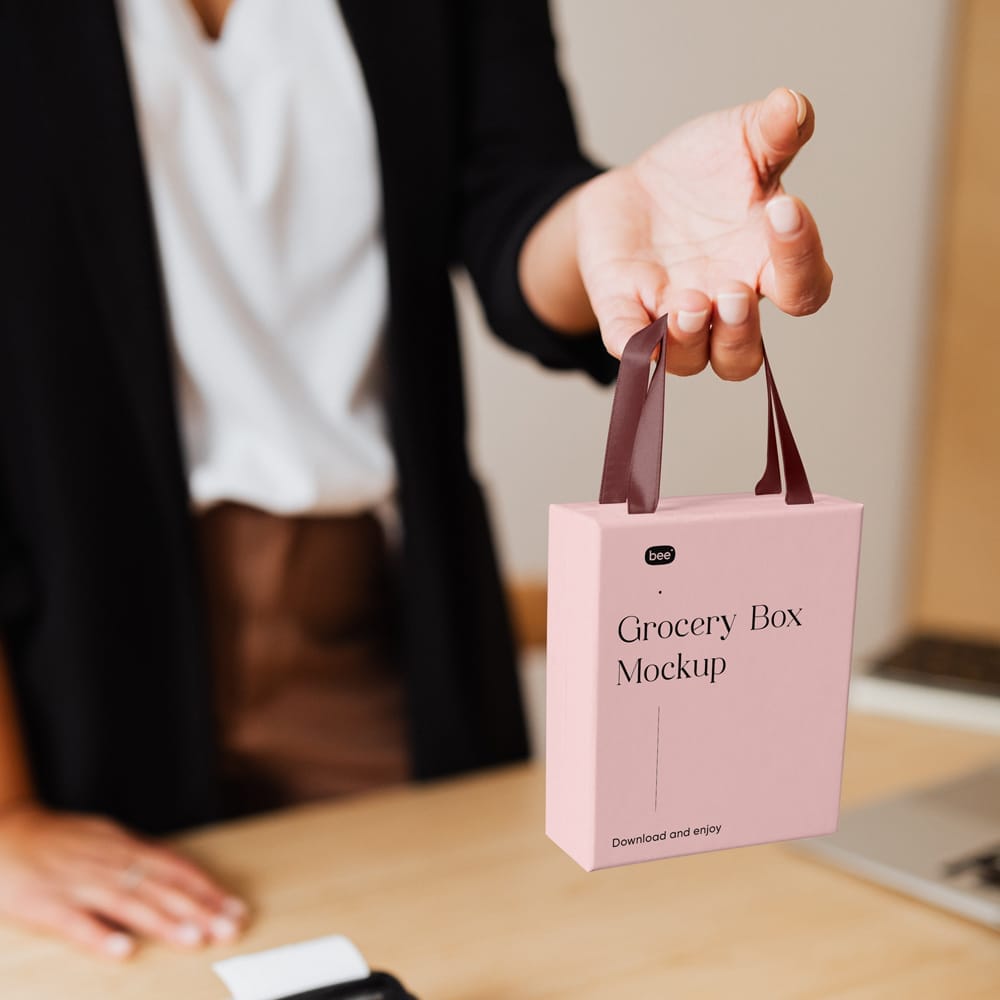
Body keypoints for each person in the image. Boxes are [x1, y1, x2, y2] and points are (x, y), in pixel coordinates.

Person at [0, 0, 832, 961]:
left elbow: (513, 201)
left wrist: (616, 226)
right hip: (56, 680)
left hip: (380, 637)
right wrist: (8, 813)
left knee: (485, 960)